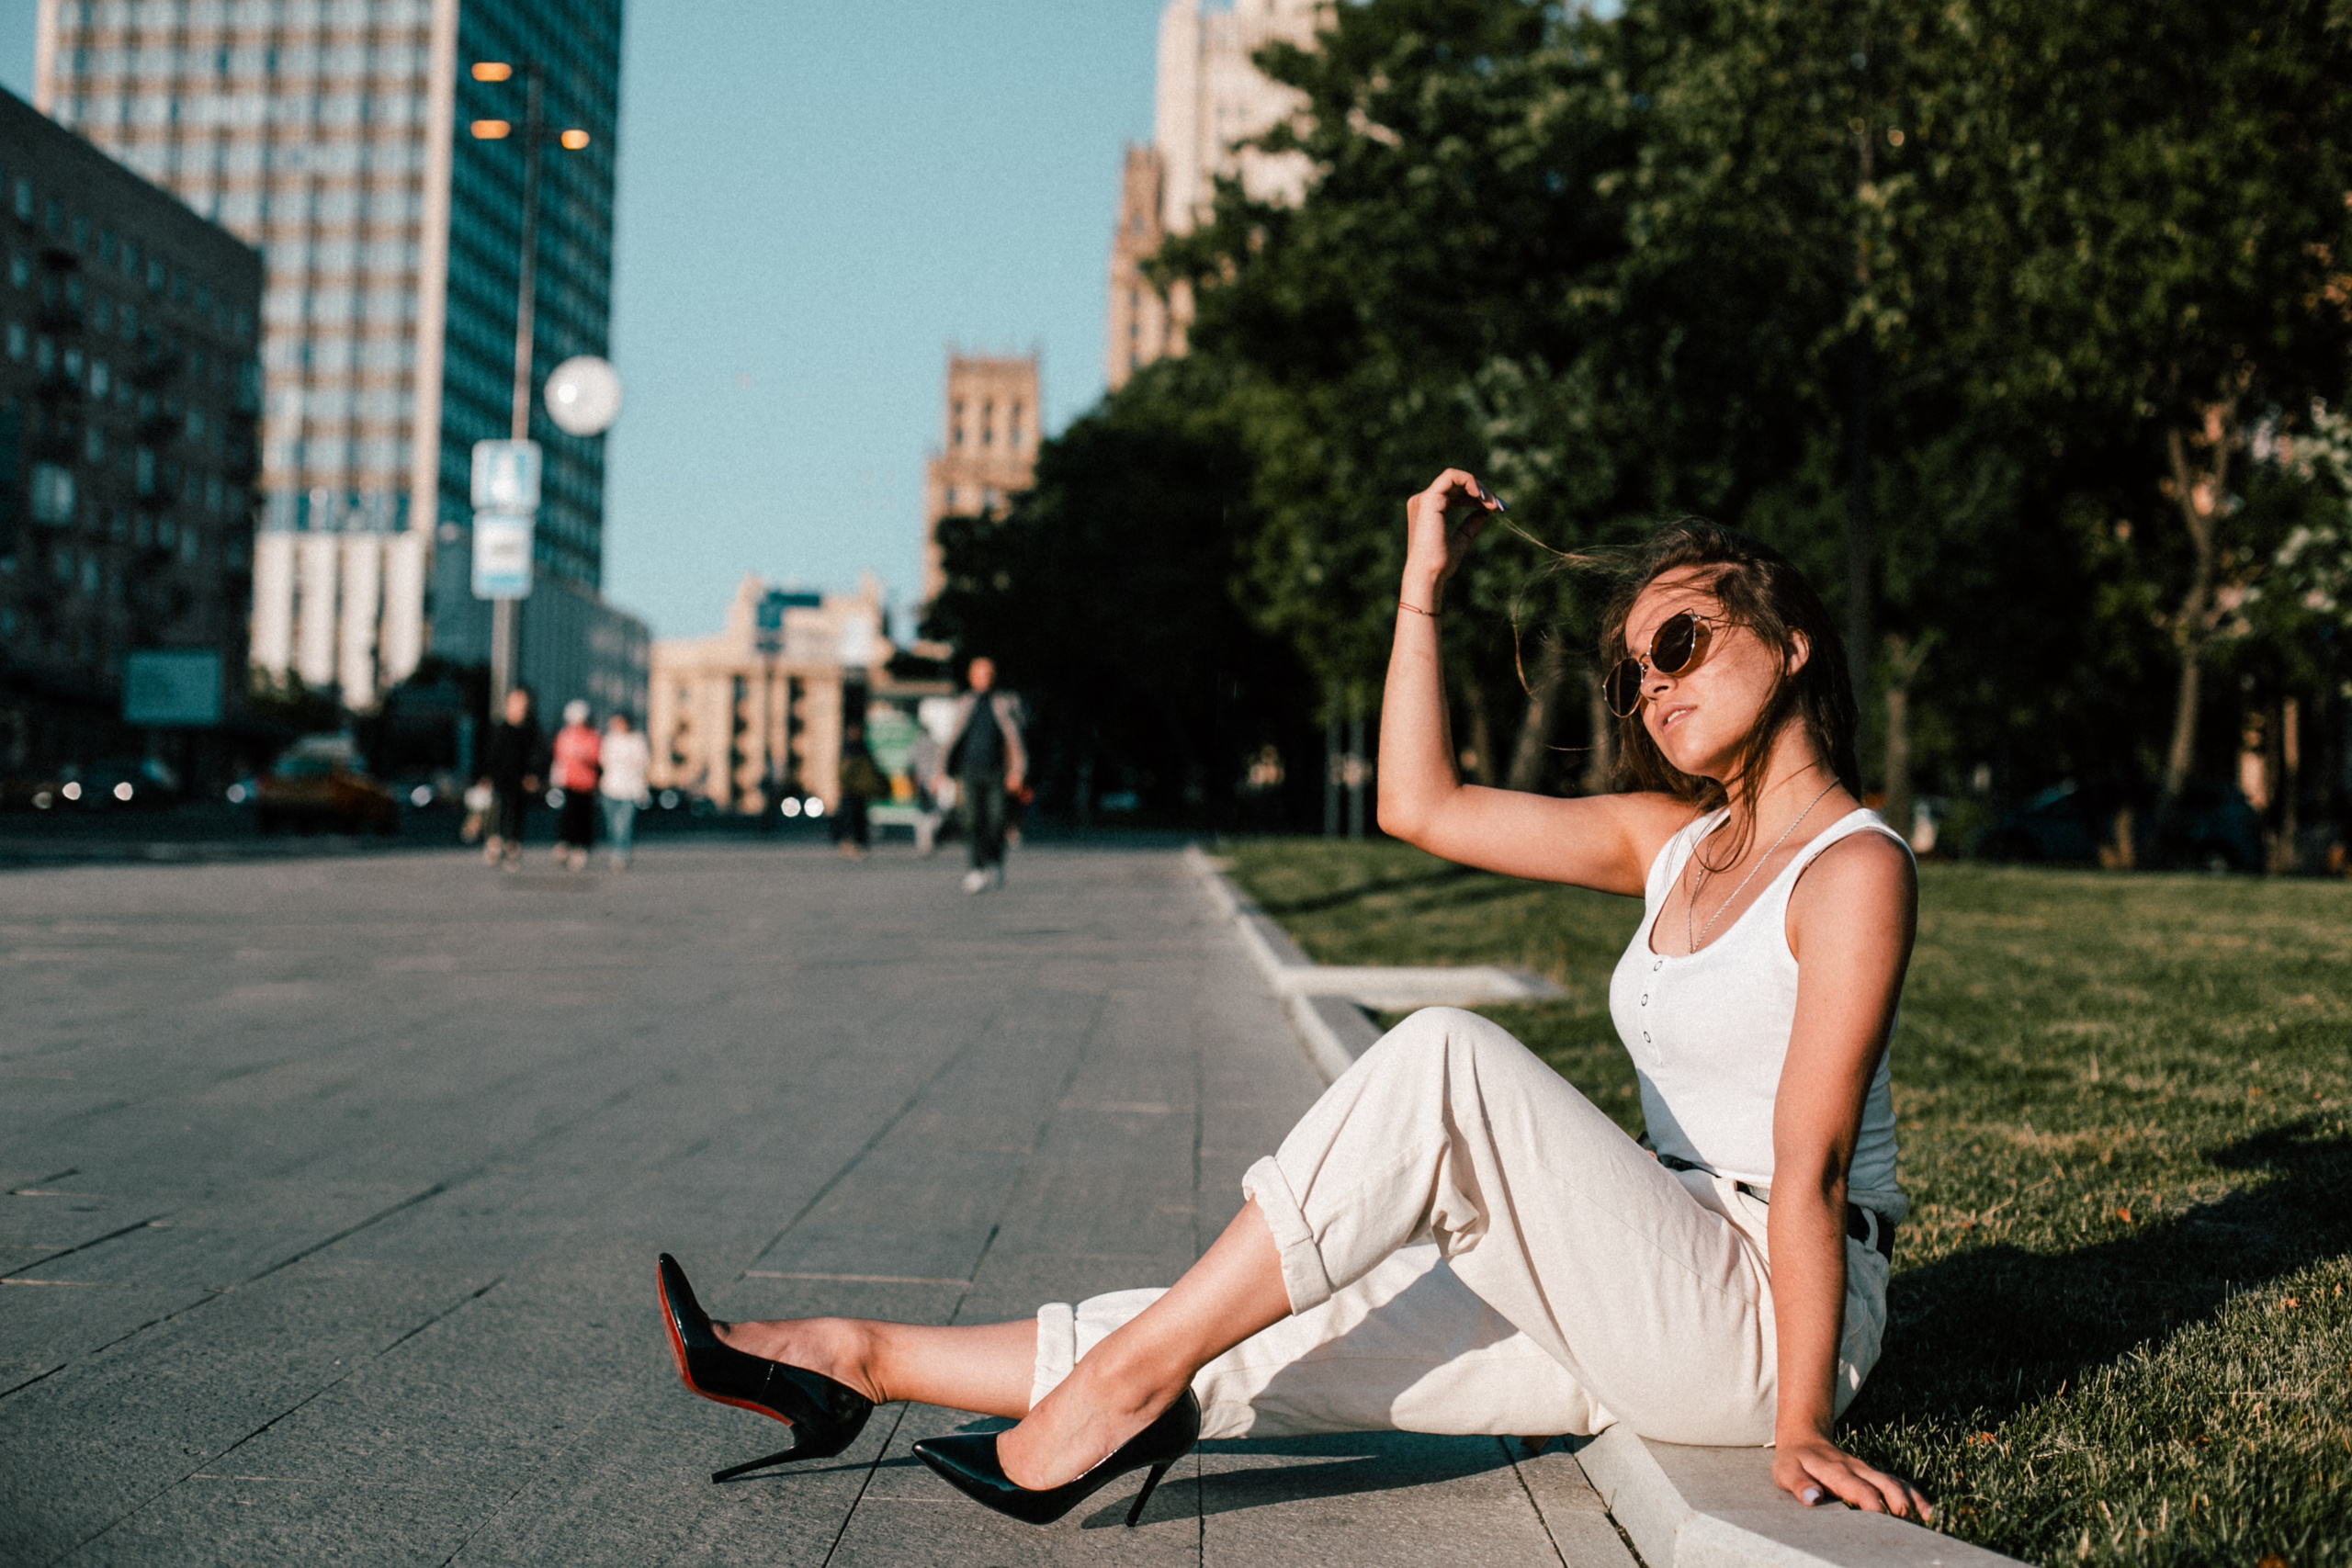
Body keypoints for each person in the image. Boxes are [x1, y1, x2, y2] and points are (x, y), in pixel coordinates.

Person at [656, 472, 1933, 1529]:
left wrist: (1804, 1417)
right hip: (1646, 1265)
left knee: (1446, 1060)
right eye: (1630, 674)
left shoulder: (1854, 868)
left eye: (1678, 643)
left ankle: (1116, 1395)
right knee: (1269, 1328)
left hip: (1765, 1318)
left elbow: (1812, 1166)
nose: (1652, 686)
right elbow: (1415, 804)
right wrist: (1419, 586)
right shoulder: (1672, 841)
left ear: (1793, 637)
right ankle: (852, 1360)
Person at [937, 656, 1025, 894]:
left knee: (997, 820)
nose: (983, 679)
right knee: (972, 820)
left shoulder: (1005, 702)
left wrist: (1017, 772)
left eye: (987, 674)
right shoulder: (963, 703)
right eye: (978, 674)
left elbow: (1016, 741)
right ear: (971, 677)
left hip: (998, 771)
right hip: (969, 770)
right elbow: (948, 740)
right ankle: (976, 868)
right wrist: (939, 773)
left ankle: (994, 862)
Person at [477, 687, 543, 869]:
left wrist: (533, 774)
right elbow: (488, 754)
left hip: (520, 780)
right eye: (516, 701)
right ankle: (494, 844)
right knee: (497, 812)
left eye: (523, 702)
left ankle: (512, 849)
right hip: (499, 778)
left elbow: (536, 755)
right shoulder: (498, 727)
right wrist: (485, 776)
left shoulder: (531, 729)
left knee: (515, 813)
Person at [550, 700, 602, 870]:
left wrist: (584, 757)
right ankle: (564, 843)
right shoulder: (565, 735)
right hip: (569, 781)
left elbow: (596, 757)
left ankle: (581, 848)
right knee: (567, 816)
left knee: (583, 817)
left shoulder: (593, 736)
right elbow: (558, 754)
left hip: (586, 783)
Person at [598, 712, 650, 870]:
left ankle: (621, 853)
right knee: (612, 824)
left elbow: (643, 762)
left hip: (630, 789)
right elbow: (603, 760)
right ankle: (616, 848)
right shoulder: (609, 740)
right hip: (610, 787)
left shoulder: (637, 740)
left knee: (624, 823)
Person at [833, 722, 882, 860]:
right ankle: (851, 845)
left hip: (855, 790)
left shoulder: (852, 748)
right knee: (852, 819)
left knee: (855, 819)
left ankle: (853, 845)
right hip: (853, 790)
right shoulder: (856, 748)